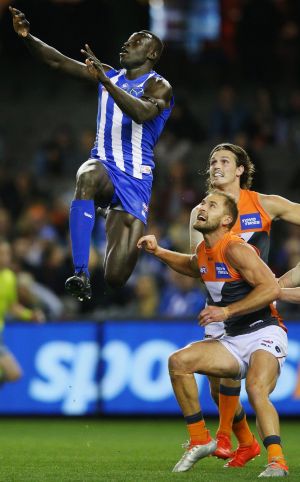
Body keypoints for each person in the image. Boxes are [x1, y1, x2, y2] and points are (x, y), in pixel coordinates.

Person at [10, 7, 173, 301]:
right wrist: (27, 36)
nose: (126, 44)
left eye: (136, 41)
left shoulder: (158, 85)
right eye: (126, 40)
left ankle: (100, 270)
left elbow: (141, 113)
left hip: (136, 180)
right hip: (105, 168)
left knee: (115, 277)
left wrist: (106, 82)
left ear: (152, 54)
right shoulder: (108, 75)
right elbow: (58, 62)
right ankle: (81, 272)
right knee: (87, 174)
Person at [138, 190, 288, 477]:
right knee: (178, 362)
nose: (202, 207)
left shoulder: (236, 248)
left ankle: (277, 460)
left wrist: (227, 312)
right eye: (203, 202)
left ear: (227, 219)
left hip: (264, 332)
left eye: (212, 205)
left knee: (256, 389)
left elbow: (272, 288)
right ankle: (199, 439)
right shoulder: (203, 252)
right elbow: (192, 266)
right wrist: (158, 252)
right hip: (232, 340)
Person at [189, 142, 300, 466]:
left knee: (240, 383)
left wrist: (285, 279)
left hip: (256, 306)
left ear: (240, 170)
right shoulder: (201, 212)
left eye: (224, 160)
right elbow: (199, 263)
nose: (215, 165)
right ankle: (246, 442)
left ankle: (225, 438)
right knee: (217, 388)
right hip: (217, 305)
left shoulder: (266, 204)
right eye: (211, 160)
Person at [0, 240, 44, 386]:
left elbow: (12, 307)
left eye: (7, 254)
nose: (5, 257)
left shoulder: (9, 277)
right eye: (1, 254)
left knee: (14, 375)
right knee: (13, 372)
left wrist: (30, 315)